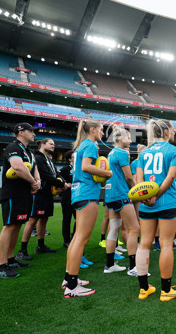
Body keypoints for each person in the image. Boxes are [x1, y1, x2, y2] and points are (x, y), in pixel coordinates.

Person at [63, 118, 112, 297]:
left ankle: (68, 278)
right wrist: (107, 173)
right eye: (101, 129)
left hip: (78, 193)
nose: (102, 133)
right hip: (87, 193)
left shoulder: (81, 145)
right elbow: (86, 167)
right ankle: (72, 286)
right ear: (92, 130)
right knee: (81, 239)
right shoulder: (90, 144)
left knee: (77, 238)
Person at [135, 119, 176, 301]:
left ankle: (143, 289)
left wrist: (146, 197)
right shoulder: (174, 151)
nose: (175, 133)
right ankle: (166, 290)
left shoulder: (144, 152)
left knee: (144, 243)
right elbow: (170, 177)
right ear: (166, 132)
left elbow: (139, 180)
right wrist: (157, 195)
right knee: (166, 244)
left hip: (146, 204)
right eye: (173, 130)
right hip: (167, 202)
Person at [0, 123, 41, 278]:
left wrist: (37, 181)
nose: (34, 134)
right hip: (13, 193)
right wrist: (33, 182)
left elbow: (35, 169)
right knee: (9, 226)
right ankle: (1, 266)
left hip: (24, 193)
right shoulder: (13, 147)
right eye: (31, 131)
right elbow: (18, 167)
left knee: (17, 226)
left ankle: (10, 259)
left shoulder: (29, 151)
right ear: (21, 132)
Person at [17, 138, 66, 260]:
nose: (53, 146)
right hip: (39, 194)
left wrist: (63, 182)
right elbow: (45, 176)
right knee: (33, 220)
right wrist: (62, 185)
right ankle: (22, 250)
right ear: (43, 144)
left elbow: (57, 174)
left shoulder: (48, 158)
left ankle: (41, 246)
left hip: (48, 194)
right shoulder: (37, 158)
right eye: (51, 144)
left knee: (44, 220)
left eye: (54, 144)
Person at [104, 125, 140, 276]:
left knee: (113, 229)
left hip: (111, 195)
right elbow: (129, 177)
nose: (131, 141)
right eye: (129, 137)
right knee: (134, 228)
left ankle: (109, 265)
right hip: (121, 195)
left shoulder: (111, 153)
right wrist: (138, 190)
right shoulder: (122, 153)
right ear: (120, 138)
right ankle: (133, 267)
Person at [59, 150, 76, 248]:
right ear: (69, 159)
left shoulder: (79, 168)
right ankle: (66, 240)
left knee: (78, 219)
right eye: (74, 156)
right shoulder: (64, 169)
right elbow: (58, 178)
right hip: (67, 196)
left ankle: (74, 237)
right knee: (67, 218)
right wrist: (64, 184)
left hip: (77, 196)